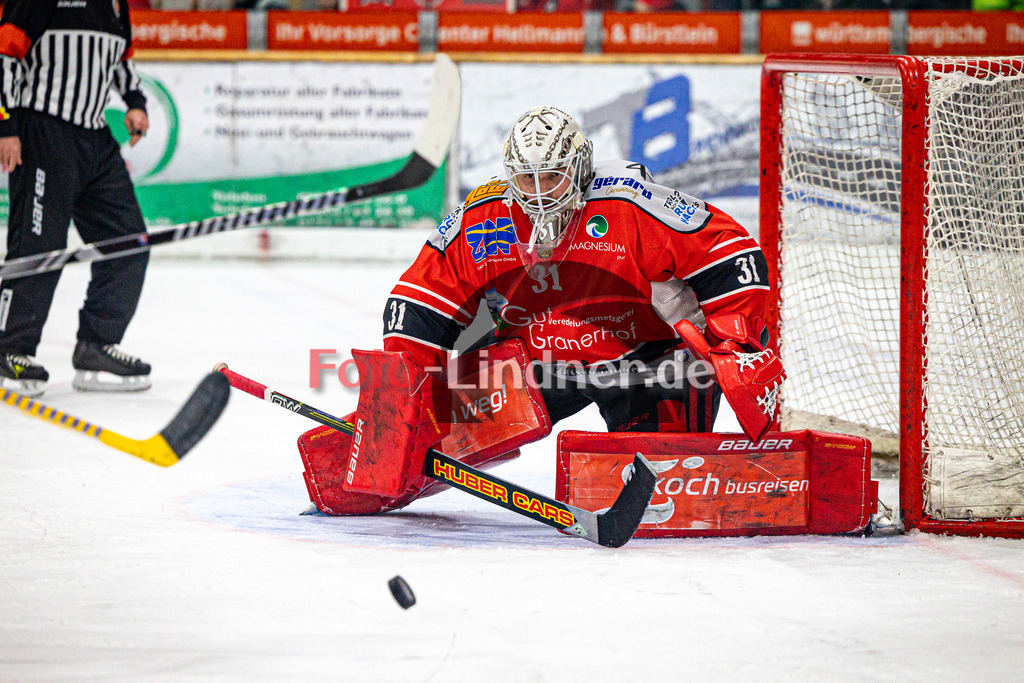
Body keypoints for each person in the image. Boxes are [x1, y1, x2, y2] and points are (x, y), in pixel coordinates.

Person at [300, 106, 784, 515]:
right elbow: (419, 299)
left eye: (551, 175)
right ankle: (366, 481)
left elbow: (730, 253)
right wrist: (405, 391)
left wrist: (737, 340)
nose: (538, 192)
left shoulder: (629, 204)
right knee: (424, 433)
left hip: (650, 362)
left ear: (579, 168)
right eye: (525, 177)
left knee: (665, 500)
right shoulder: (483, 219)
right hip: (536, 363)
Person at [0, 0, 153, 397]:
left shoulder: (116, 3)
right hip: (43, 131)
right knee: (39, 246)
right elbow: (5, 53)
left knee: (129, 242)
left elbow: (120, 57)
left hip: (95, 136)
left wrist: (134, 102)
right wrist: (7, 125)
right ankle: (9, 349)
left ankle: (96, 345)